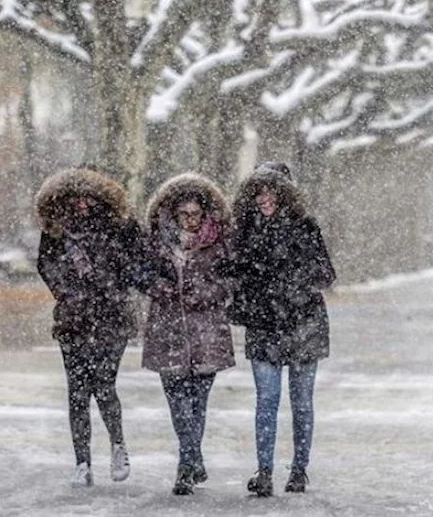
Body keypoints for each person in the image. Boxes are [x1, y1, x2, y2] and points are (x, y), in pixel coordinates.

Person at [228, 163, 336, 497]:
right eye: (258, 191)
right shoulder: (244, 230)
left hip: (303, 324)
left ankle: (299, 471)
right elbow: (237, 273)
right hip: (264, 325)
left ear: (284, 192)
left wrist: (291, 282)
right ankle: (264, 472)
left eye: (270, 191)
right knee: (267, 400)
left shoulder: (305, 227)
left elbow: (326, 274)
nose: (264, 198)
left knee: (301, 401)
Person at [35, 167, 143, 487]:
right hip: (73, 320)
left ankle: (118, 444)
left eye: (88, 195)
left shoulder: (121, 226)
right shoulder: (56, 228)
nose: (81, 202)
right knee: (77, 392)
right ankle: (82, 462)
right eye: (75, 196)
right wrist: (67, 292)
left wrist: (113, 287)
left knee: (104, 384)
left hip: (113, 318)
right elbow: (46, 264)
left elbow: (136, 263)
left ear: (101, 195)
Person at [140, 173, 236, 495]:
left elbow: (232, 280)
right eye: (185, 214)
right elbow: (140, 273)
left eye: (196, 213)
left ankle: (187, 463)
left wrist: (206, 292)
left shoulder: (220, 241)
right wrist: (161, 287)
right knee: (177, 404)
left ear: (206, 213)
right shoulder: (156, 241)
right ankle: (191, 458)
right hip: (167, 332)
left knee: (197, 403)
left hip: (206, 333)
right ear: (173, 213)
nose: (191, 220)